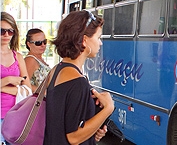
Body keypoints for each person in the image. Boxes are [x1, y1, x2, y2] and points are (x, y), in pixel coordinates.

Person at [44, 10, 114, 145]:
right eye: (98, 37)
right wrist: (108, 109)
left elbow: (62, 123)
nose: (100, 43)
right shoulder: (77, 82)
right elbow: (73, 137)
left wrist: (92, 131)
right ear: (84, 40)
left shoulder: (56, 70)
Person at [1, 12, 31, 145]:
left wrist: (2, 87)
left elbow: (27, 90)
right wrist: (8, 81)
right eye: (2, 31)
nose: (6, 35)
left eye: (10, 31)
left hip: (15, 116)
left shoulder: (18, 57)